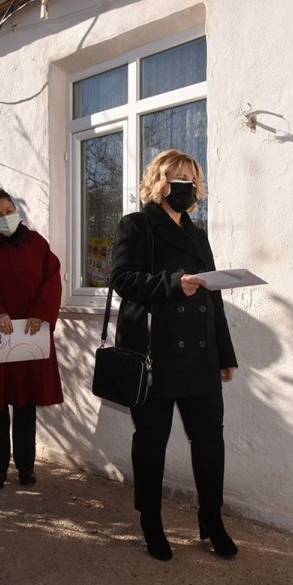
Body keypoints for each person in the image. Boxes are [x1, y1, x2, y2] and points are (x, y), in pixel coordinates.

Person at [109, 149, 239, 561]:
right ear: (158, 180)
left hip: (199, 355)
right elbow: (121, 280)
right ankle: (151, 521)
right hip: (153, 355)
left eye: (190, 177)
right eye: (175, 176)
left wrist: (224, 353)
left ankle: (211, 519)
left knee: (210, 441)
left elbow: (212, 296)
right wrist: (170, 284)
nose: (183, 184)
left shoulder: (198, 234)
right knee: (151, 442)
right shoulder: (137, 225)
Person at [0, 188, 63, 489]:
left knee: (26, 404)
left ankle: (26, 467)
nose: (5, 218)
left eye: (9, 211)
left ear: (16, 210)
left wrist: (41, 312)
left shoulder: (36, 244)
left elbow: (52, 279)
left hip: (29, 336)